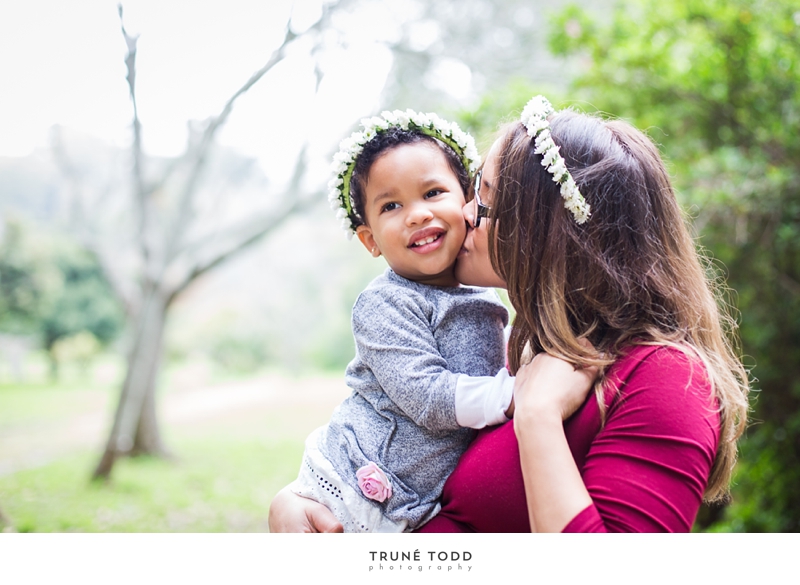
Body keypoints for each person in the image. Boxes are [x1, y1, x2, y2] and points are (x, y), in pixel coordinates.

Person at [269, 96, 750, 533]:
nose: (462, 214)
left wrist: (537, 417)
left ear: (545, 232)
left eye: (482, 197)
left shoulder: (664, 377)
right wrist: (297, 501)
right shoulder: (532, 348)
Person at [283, 110, 513, 533]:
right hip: (352, 487)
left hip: (415, 503)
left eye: (432, 192)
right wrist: (513, 395)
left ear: (467, 201)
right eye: (391, 205)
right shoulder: (385, 303)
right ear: (370, 239)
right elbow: (427, 396)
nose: (416, 214)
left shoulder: (484, 288)